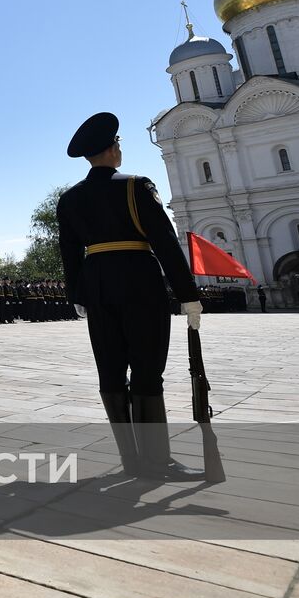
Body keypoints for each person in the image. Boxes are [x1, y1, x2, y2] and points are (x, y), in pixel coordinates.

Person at [56, 112, 205, 481]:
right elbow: (166, 245)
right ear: (113, 149)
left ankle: (130, 458)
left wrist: (77, 295)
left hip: (96, 286)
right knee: (147, 370)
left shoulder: (70, 198)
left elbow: (69, 253)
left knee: (110, 371)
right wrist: (188, 294)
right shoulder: (136, 186)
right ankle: (156, 460)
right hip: (139, 282)